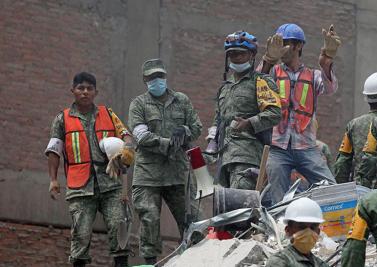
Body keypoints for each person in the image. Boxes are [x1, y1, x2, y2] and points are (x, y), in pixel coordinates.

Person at [45, 72, 135, 267]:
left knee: (119, 224)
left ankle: (121, 263)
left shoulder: (108, 114)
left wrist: (127, 148)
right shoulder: (62, 119)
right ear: (73, 91)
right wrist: (53, 180)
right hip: (80, 188)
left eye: (89, 89)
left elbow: (126, 134)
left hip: (110, 183)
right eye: (80, 88)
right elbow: (54, 151)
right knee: (81, 233)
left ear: (96, 92)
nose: (85, 92)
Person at [257, 23, 341, 207]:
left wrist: (326, 64)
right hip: (278, 147)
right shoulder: (272, 72)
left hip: (306, 148)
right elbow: (256, 83)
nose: (282, 48)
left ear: (298, 46)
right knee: (277, 199)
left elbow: (330, 88)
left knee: (332, 190)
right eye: (278, 43)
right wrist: (268, 60)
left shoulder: (313, 76)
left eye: (285, 43)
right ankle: (280, 230)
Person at [128, 58, 202, 264]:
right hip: (148, 176)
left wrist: (184, 130)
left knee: (193, 221)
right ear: (145, 80)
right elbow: (140, 135)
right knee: (149, 218)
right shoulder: (138, 104)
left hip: (178, 173)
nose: (157, 80)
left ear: (165, 77)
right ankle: (150, 262)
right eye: (152, 77)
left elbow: (197, 127)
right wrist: (168, 143)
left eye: (160, 76)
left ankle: (195, 260)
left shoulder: (182, 100)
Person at [207, 31, 281, 190]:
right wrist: (212, 139)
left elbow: (274, 114)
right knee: (225, 209)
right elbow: (219, 118)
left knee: (241, 207)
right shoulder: (224, 87)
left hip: (247, 156)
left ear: (251, 56)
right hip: (224, 157)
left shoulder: (261, 81)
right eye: (232, 54)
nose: (236, 58)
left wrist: (249, 123)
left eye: (241, 54)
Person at [333, 72, 377, 186]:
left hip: (361, 188)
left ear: (366, 98)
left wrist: (340, 189)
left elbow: (342, 162)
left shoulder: (354, 124)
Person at [266, 197, 328, 267]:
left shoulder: (320, 264)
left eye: (312, 227)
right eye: (302, 227)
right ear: (288, 230)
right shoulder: (279, 262)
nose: (308, 232)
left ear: (318, 232)